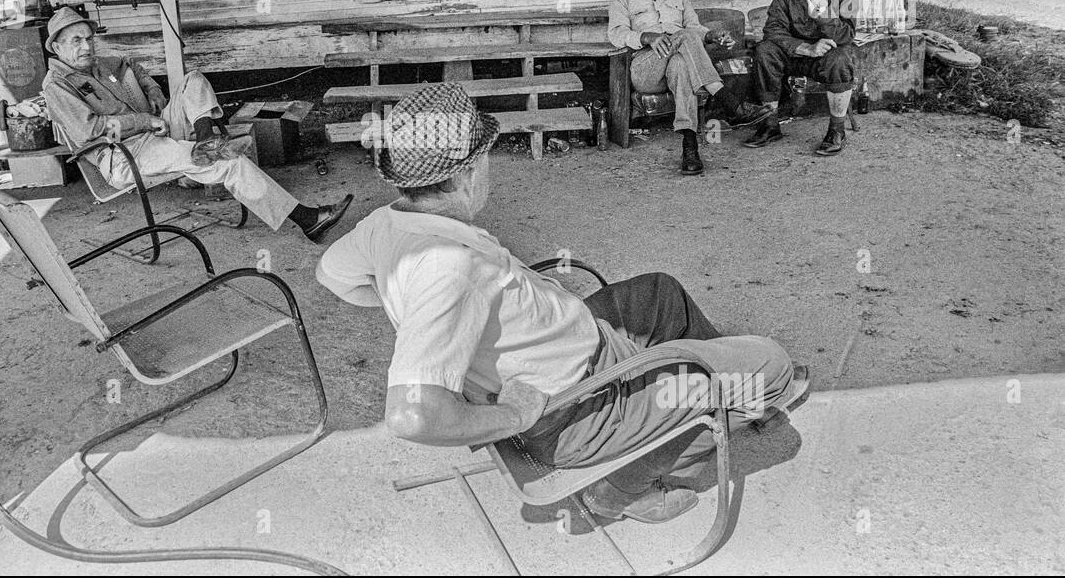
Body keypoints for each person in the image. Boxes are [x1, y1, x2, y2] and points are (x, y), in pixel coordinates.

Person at [316, 83, 808, 523]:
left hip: (580, 354)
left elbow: (331, 274)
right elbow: (413, 415)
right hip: (577, 409)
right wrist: (514, 415)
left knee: (662, 293)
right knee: (772, 365)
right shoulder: (448, 265)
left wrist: (421, 315)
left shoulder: (387, 223)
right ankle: (619, 488)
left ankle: (704, 404)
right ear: (467, 174)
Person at [42, 6, 352, 242]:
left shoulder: (103, 64)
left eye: (89, 38)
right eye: (75, 41)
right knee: (228, 162)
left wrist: (153, 93)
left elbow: (135, 68)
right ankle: (307, 219)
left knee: (193, 79)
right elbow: (92, 130)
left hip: (155, 130)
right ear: (57, 47)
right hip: (123, 154)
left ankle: (204, 138)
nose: (86, 46)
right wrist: (144, 120)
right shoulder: (57, 85)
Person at [607, 0, 759, 175]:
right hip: (646, 68)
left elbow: (695, 28)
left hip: (675, 64)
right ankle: (727, 99)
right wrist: (646, 37)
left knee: (680, 64)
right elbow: (616, 34)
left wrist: (711, 36)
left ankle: (690, 148)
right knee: (685, 36)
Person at [744, 0, 859, 156]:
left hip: (825, 57)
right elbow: (773, 29)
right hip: (795, 53)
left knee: (841, 58)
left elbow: (846, 35)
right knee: (764, 51)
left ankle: (837, 131)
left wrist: (819, 4)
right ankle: (769, 124)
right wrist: (805, 47)